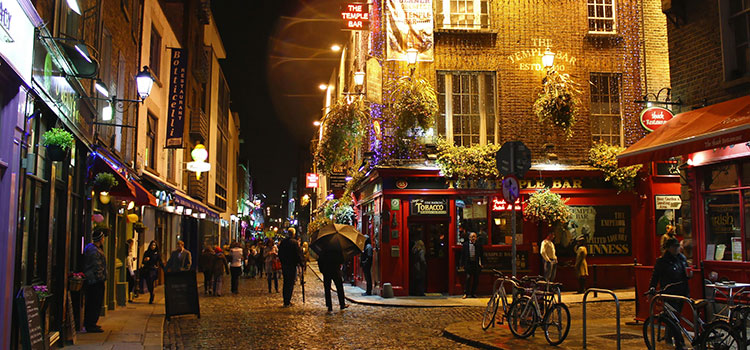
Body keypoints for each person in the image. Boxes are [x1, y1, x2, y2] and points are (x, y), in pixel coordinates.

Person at [649, 238, 692, 349]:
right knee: (674, 319)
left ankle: (668, 337)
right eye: (674, 247)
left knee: (674, 317)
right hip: (669, 293)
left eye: (678, 246)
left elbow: (686, 271)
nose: (677, 249)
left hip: (682, 291)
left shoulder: (681, 258)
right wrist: (652, 289)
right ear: (669, 248)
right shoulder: (662, 261)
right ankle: (680, 343)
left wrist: (689, 274)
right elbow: (655, 277)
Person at [83, 227, 108, 333]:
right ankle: (90, 324)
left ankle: (92, 323)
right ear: (100, 239)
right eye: (103, 238)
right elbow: (97, 267)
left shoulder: (94, 249)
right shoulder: (94, 251)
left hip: (95, 281)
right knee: (94, 302)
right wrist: (101, 278)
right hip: (95, 282)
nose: (104, 240)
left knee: (95, 302)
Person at [318, 248, 348, 313]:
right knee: (339, 287)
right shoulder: (338, 249)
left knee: (327, 289)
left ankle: (329, 306)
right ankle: (342, 304)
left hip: (326, 271)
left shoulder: (324, 250)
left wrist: (322, 270)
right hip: (336, 270)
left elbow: (320, 261)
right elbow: (342, 260)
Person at [278, 228, 303, 306]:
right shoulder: (295, 243)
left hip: (285, 265)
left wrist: (283, 262)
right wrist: (300, 263)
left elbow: (280, 254)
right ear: (293, 234)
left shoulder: (283, 242)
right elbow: (297, 254)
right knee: (290, 283)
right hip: (292, 265)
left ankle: (286, 300)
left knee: (286, 282)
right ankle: (287, 300)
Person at [460, 232, 483, 298]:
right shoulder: (465, 245)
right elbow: (463, 255)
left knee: (476, 279)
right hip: (468, 263)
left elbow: (481, 255)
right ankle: (466, 293)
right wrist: (462, 264)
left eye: (474, 236)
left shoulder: (478, 245)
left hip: (475, 264)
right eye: (472, 236)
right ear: (469, 237)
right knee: (468, 278)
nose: (473, 238)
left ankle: (473, 293)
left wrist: (482, 263)